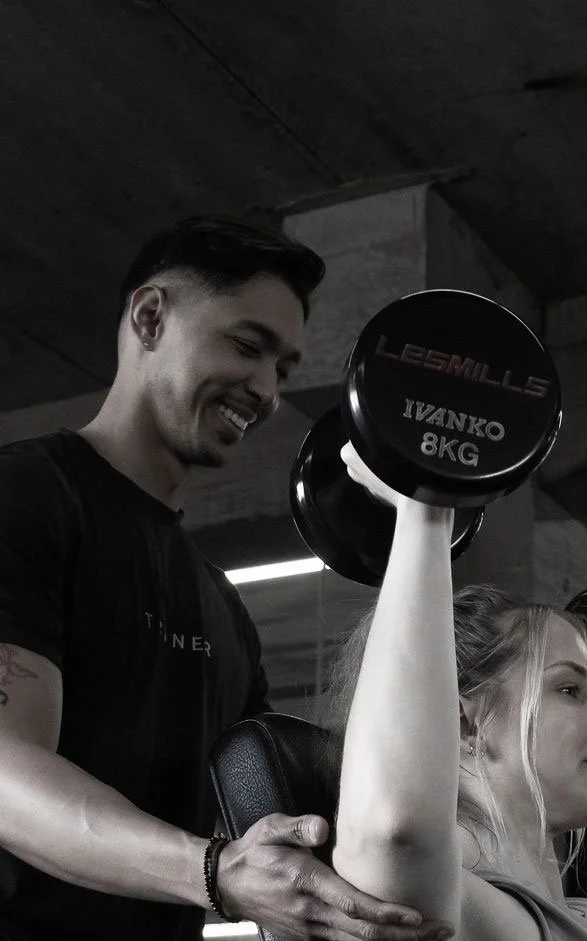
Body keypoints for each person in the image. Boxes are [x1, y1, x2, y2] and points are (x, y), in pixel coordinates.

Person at [0, 215, 449, 941]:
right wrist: (216, 874)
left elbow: (268, 822)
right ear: (150, 317)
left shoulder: (222, 607)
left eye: (285, 368)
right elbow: (4, 774)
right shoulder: (26, 498)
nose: (266, 389)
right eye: (248, 346)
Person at [322, 443, 587, 941]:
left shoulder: (582, 924)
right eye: (569, 688)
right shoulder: (454, 911)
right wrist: (425, 513)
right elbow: (395, 831)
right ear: (461, 721)